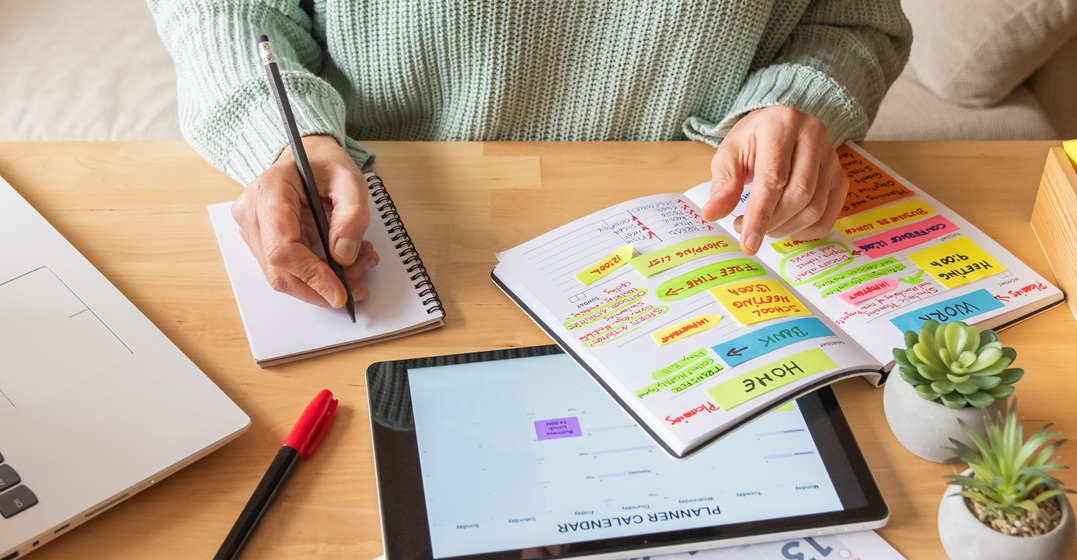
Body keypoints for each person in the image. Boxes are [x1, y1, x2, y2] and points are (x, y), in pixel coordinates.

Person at [148, 0, 911, 310]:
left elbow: (853, 23)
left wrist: (794, 101)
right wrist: (284, 136)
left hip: (691, 242)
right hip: (392, 221)